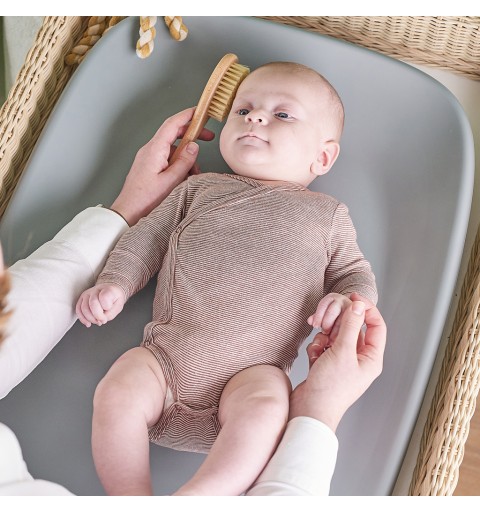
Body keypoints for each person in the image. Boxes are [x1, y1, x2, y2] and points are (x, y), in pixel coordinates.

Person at [0, 102, 386, 496]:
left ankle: (198, 498)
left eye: (283, 115)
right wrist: (115, 283)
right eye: (243, 110)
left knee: (269, 409)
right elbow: (146, 238)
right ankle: (131, 497)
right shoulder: (197, 190)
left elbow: (355, 273)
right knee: (117, 391)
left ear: (323, 156)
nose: (254, 118)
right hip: (164, 363)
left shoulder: (327, 215)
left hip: (251, 376)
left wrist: (346, 301)